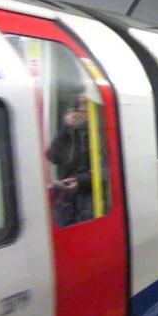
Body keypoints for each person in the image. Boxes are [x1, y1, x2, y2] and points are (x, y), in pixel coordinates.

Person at [48, 93, 93, 226]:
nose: (82, 109)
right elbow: (54, 156)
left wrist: (81, 181)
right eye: (79, 104)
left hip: (90, 199)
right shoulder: (71, 132)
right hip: (67, 200)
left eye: (86, 104)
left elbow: (109, 170)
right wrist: (66, 128)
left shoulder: (101, 133)